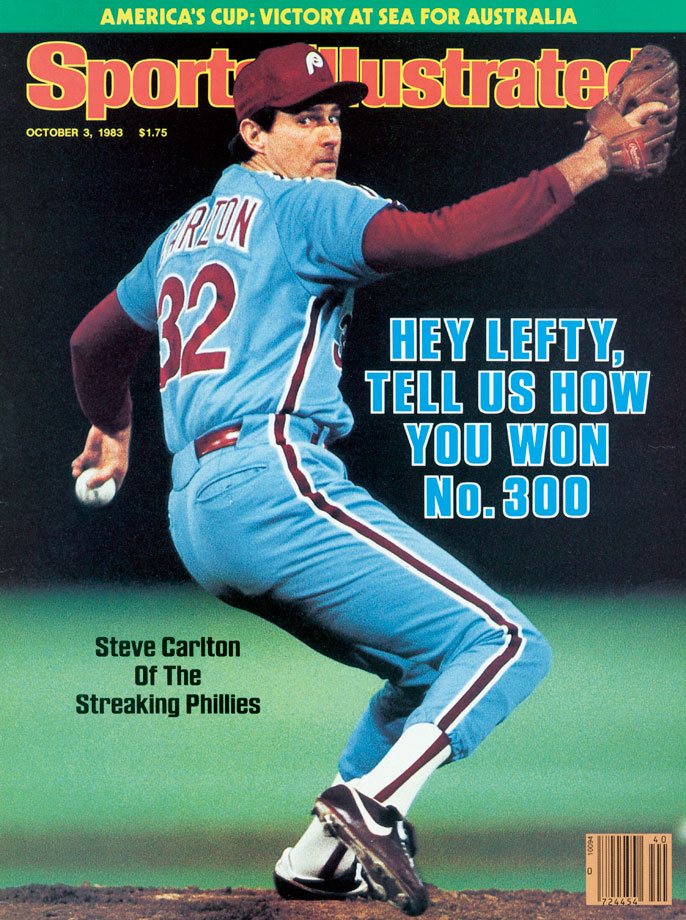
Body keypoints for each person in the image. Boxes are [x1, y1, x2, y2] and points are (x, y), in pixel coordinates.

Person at [70, 42, 665, 916]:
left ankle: (315, 858)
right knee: (507, 645)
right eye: (305, 118)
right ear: (252, 132)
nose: (328, 133)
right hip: (272, 481)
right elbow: (443, 235)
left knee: (430, 668)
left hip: (195, 516)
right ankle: (370, 801)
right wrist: (592, 160)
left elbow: (92, 343)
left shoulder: (180, 236)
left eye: (335, 115)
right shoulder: (306, 207)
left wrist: (113, 428)